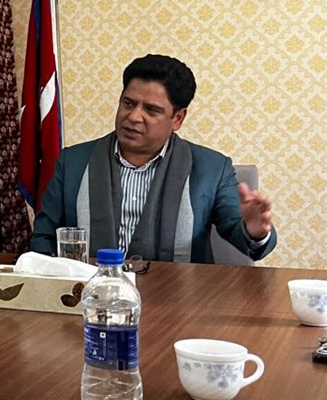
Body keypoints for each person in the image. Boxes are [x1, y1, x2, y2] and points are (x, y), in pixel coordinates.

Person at [30, 54, 277, 263]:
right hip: (91, 294)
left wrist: (254, 232)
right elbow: (43, 238)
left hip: (178, 297)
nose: (134, 117)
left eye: (151, 110)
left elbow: (242, 237)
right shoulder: (73, 162)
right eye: (128, 104)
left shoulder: (212, 169)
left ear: (178, 118)